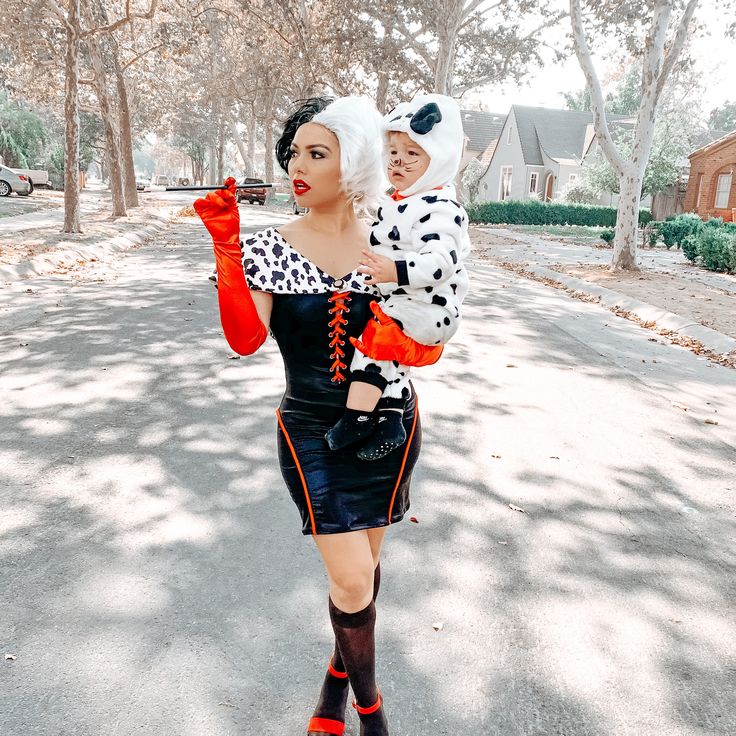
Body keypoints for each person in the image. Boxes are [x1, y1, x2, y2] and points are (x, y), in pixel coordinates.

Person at [193, 96, 441, 736]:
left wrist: (406, 339)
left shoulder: (393, 238)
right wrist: (226, 247)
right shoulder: (271, 247)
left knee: (361, 573)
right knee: (355, 580)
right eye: (294, 153)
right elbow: (246, 339)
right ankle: (372, 713)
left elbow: (435, 328)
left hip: (389, 425)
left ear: (352, 163)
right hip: (309, 433)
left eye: (316, 153)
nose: (295, 166)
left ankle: (334, 687)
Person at [325, 94, 470, 462]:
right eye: (392, 152)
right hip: (407, 299)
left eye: (413, 154)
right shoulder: (403, 201)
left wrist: (394, 271)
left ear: (438, 160)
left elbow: (441, 262)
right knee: (391, 358)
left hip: (428, 305)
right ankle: (390, 420)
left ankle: (357, 418)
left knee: (373, 350)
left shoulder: (440, 207)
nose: (399, 162)